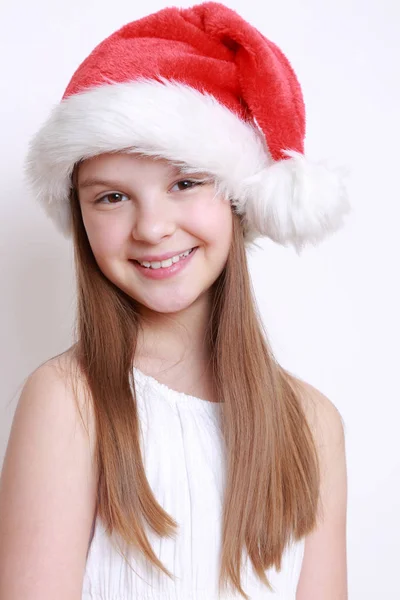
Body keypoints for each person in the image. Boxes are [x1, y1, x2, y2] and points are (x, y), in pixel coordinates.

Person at [0, 2, 349, 599]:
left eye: (184, 183)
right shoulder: (69, 402)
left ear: (237, 198)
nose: (152, 227)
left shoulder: (311, 424)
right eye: (111, 197)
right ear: (80, 217)